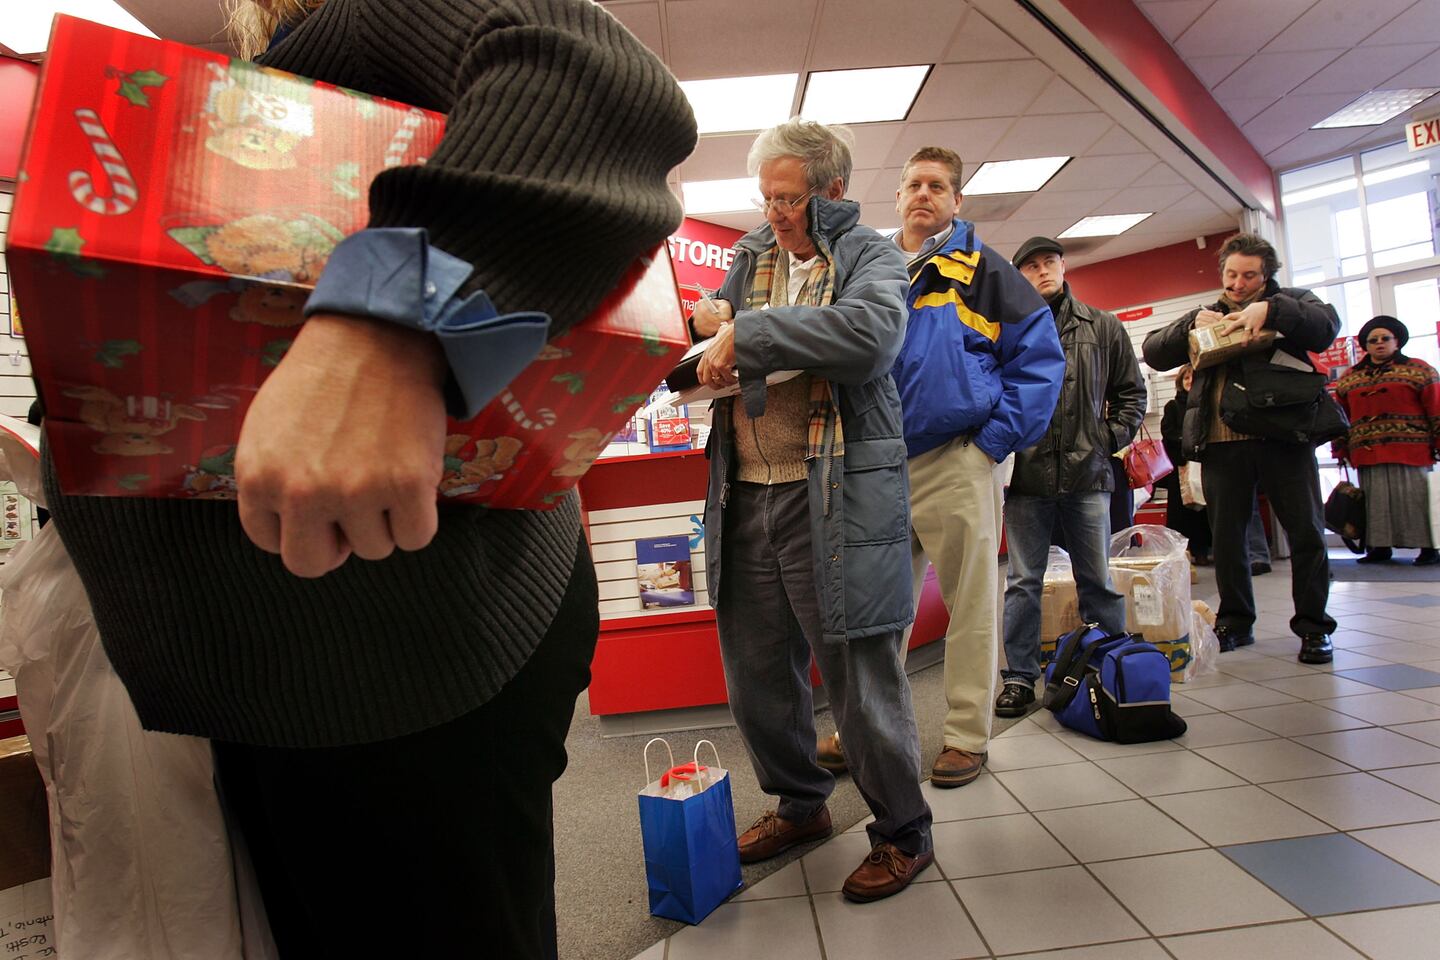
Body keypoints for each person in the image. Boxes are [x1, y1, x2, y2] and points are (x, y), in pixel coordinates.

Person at [40, 1, 697, 956]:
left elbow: (591, 73)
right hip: (308, 662)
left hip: (386, 660)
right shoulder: (278, 86)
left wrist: (391, 329)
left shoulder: (356, 18)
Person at [691, 118, 934, 902]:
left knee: (861, 679)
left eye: (790, 198)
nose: (775, 214)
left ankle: (904, 830)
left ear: (832, 191)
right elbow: (725, 337)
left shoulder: (871, 254)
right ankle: (801, 806)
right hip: (745, 493)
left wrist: (748, 332)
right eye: (766, 198)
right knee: (756, 677)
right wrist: (710, 325)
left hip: (832, 495)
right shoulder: (751, 255)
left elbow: (869, 338)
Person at [813, 149, 1063, 781]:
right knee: (877, 609)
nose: (924, 194)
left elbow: (1039, 364)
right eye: (913, 185)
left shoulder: (987, 272)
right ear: (897, 198)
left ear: (956, 202)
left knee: (971, 604)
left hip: (956, 459)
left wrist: (989, 444)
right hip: (875, 464)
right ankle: (863, 727)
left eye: (938, 186)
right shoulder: (864, 269)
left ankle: (965, 736)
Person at [1142, 233, 1339, 665]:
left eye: (1249, 276)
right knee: (1228, 540)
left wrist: (1271, 309)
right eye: (1231, 274)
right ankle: (1235, 622)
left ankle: (1313, 627)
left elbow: (1327, 327)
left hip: (1284, 438)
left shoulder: (1292, 303)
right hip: (1220, 443)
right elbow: (1154, 352)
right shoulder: (1207, 311)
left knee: (1306, 533)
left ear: (1266, 276)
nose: (1237, 284)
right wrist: (1192, 323)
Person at [997, 236, 1145, 717]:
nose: (1042, 272)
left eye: (1049, 262)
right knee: (1023, 581)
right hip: (1026, 476)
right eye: (1031, 266)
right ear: (1020, 275)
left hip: (1089, 474)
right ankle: (1019, 677)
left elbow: (1132, 394)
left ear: (1063, 266)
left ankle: (1109, 662)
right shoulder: (1007, 329)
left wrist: (1104, 438)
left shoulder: (1102, 327)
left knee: (1096, 578)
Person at [1333, 315, 1440, 566]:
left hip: (1411, 449)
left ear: (1397, 341)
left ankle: (1428, 548)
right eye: (1373, 340)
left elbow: (1436, 408)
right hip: (1367, 449)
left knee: (1416, 499)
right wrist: (1340, 448)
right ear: (1365, 345)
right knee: (1375, 502)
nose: (1379, 343)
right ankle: (1379, 548)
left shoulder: (1420, 370)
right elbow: (1339, 417)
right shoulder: (1350, 377)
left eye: (1385, 339)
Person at [1159, 365, 1212, 565]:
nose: (1190, 381)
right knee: (1179, 514)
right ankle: (1180, 552)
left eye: (1193, 378)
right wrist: (1188, 441)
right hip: (1180, 467)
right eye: (1186, 378)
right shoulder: (1172, 406)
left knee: (1202, 510)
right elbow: (1168, 433)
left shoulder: (1206, 405)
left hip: (1202, 465)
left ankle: (1202, 551)